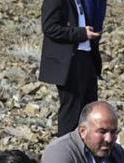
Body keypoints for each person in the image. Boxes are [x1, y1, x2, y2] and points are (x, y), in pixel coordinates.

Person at [39, 0, 104, 136]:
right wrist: (81, 34)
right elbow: (49, 27)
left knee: (89, 109)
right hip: (69, 62)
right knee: (72, 109)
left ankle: (86, 146)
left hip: (87, 58)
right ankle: (65, 146)